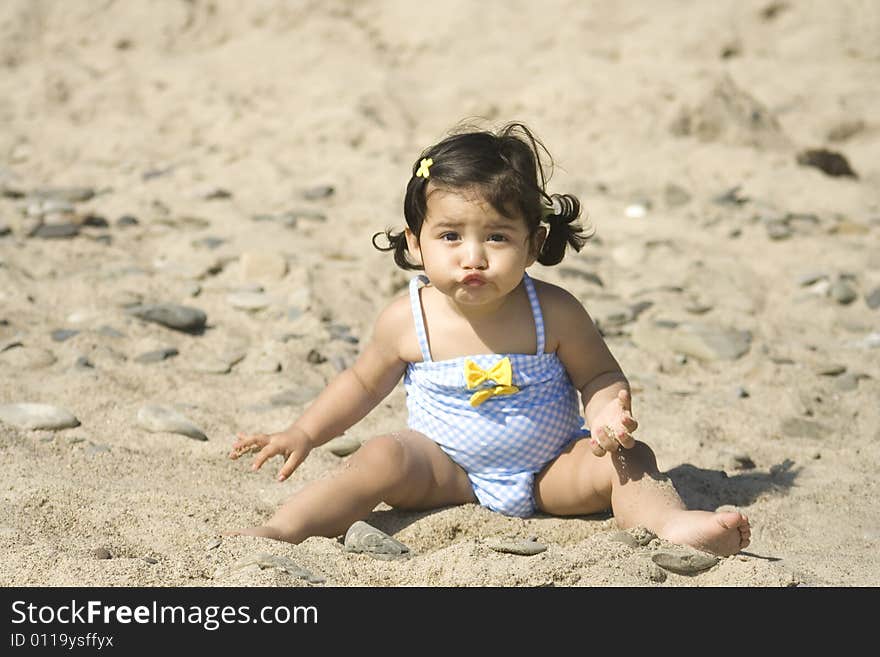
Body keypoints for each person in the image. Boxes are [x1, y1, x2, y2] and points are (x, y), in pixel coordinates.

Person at [229, 121, 750, 556]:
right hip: (446, 471)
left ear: (533, 244)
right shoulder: (408, 318)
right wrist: (304, 432)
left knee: (630, 459)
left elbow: (599, 374)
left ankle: (672, 527)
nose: (473, 256)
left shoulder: (554, 311)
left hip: (551, 470)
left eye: (497, 236)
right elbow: (362, 385)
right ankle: (284, 529)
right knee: (381, 455)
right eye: (450, 235)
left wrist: (606, 415)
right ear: (416, 242)